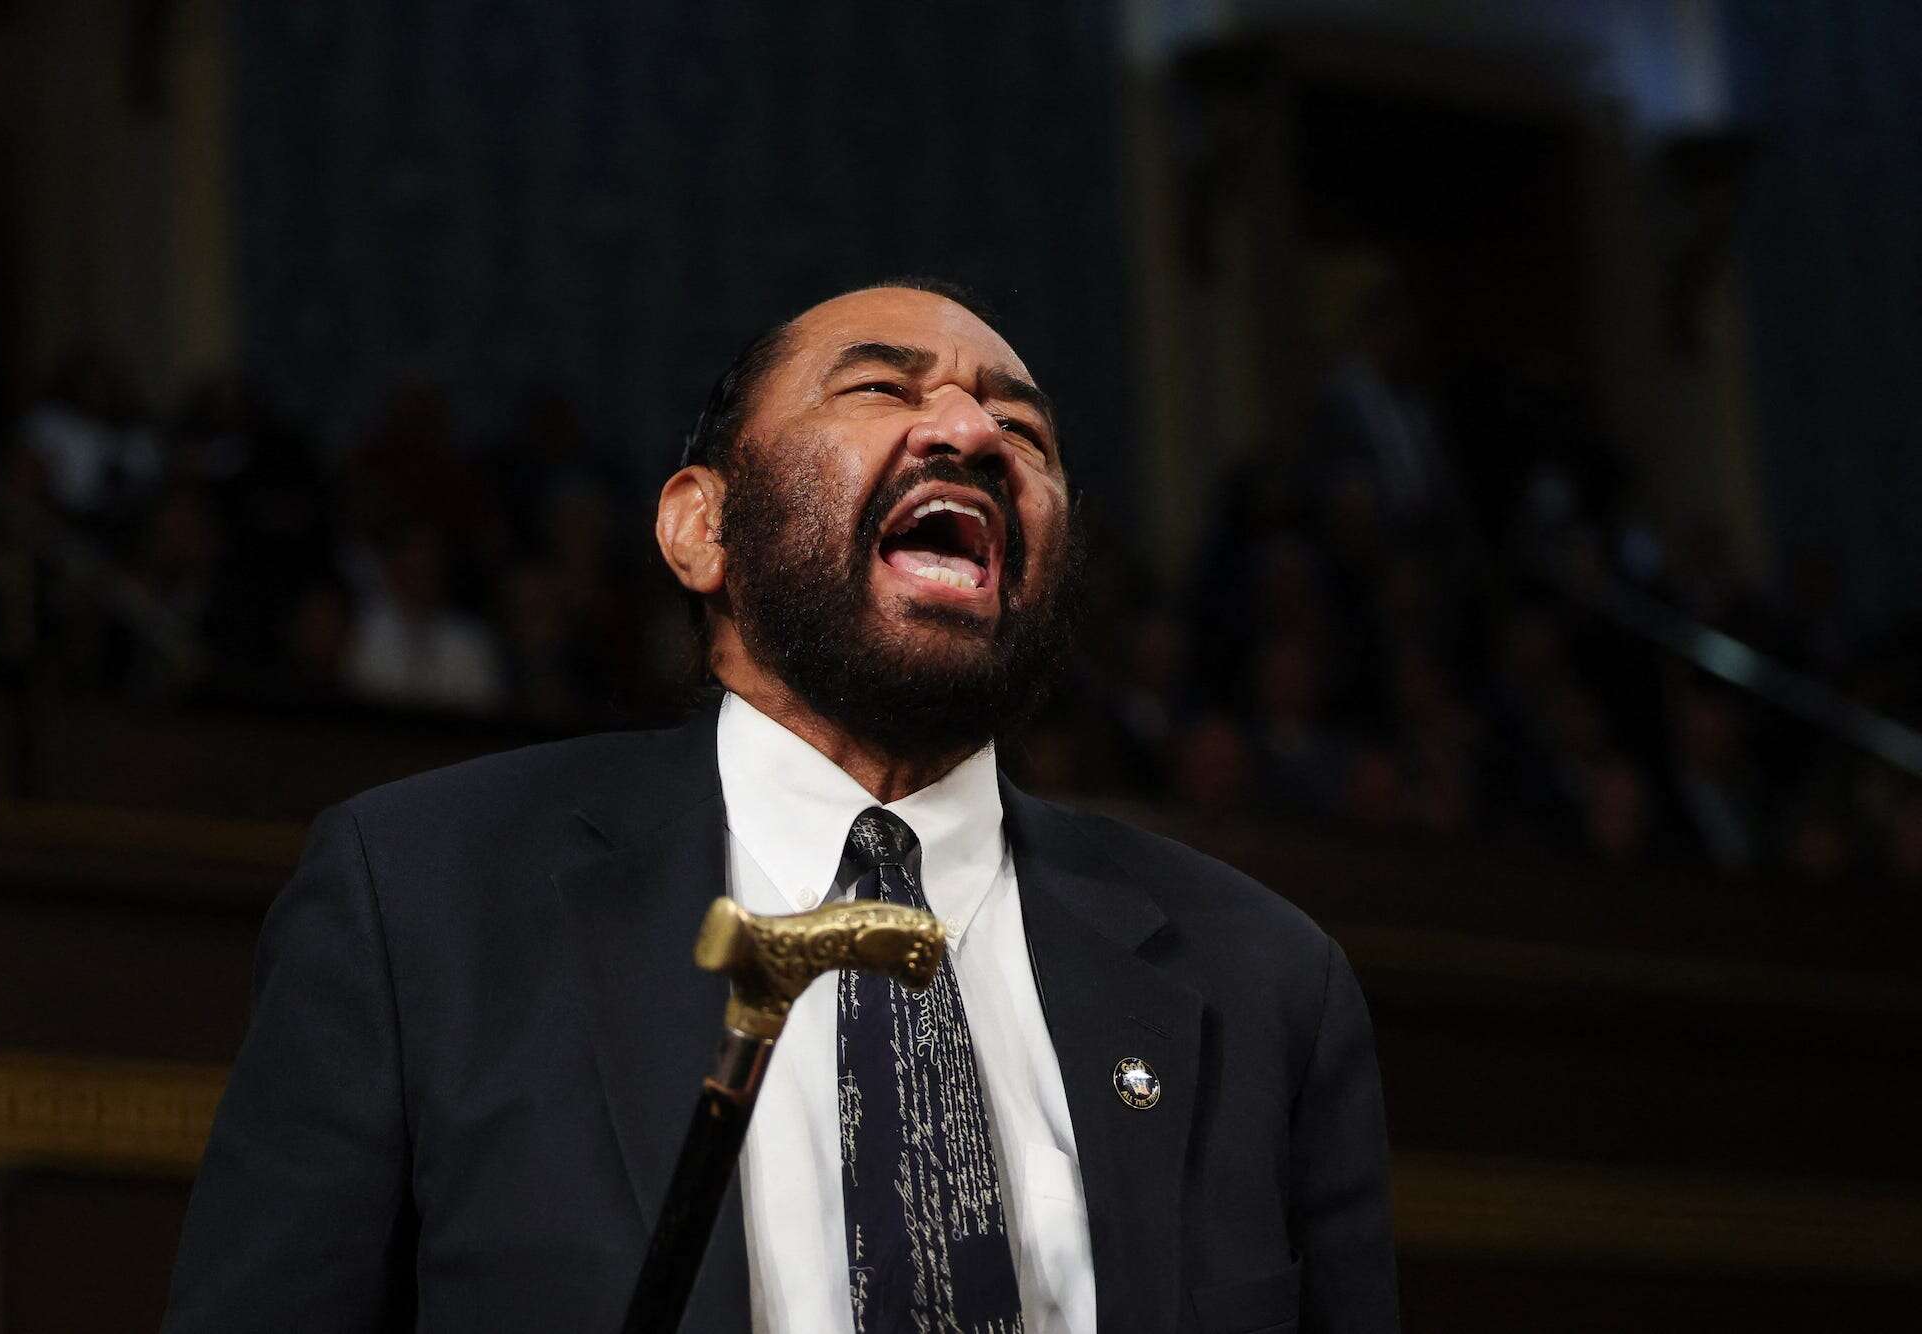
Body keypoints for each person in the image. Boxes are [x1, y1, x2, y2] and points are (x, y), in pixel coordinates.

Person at [163, 281, 1400, 1333]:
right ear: (700, 527)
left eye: (1024, 426)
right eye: (879, 388)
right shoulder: (423, 899)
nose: (971, 426)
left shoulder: (1265, 981)